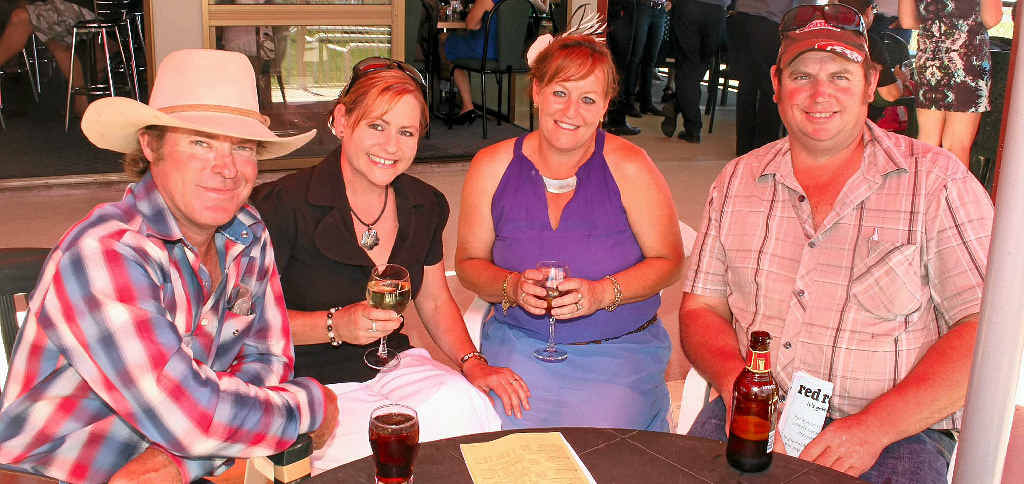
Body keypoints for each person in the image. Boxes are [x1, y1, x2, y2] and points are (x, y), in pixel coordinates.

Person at [679, 6, 993, 482]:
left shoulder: (938, 183)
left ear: (870, 84)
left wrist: (874, 428)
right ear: (776, 83)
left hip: (894, 430)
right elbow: (701, 308)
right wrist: (740, 387)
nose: (820, 93)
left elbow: (985, 328)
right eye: (802, 75)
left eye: (841, 76)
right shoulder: (737, 180)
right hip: (753, 411)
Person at [0, 49, 338, 483]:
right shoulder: (106, 251)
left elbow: (268, 360)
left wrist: (186, 458)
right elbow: (188, 420)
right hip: (56, 473)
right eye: (200, 142)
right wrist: (311, 403)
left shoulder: (247, 231)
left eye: (243, 146)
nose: (226, 168)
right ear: (150, 144)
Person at [249, 57, 509, 471]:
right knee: (357, 460)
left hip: (393, 365)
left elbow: (435, 298)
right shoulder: (280, 205)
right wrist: (334, 325)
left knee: (468, 414)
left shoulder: (424, 204)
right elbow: (245, 322)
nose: (391, 146)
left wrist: (473, 364)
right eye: (376, 126)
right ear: (341, 120)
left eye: (406, 132)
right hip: (310, 382)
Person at [456, 34, 683, 430]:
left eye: (588, 99)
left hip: (618, 351)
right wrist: (511, 286)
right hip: (521, 348)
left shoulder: (630, 165)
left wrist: (601, 293)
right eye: (560, 92)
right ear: (537, 91)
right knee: (506, 449)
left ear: (605, 107)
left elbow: (669, 262)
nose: (571, 111)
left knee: (600, 452)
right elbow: (469, 264)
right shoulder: (490, 166)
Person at [898, 0, 1002, 167]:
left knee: (926, 141)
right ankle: (950, 195)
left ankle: (920, 192)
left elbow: (907, 20)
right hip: (966, 58)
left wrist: (936, 25)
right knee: (956, 146)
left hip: (930, 59)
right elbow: (991, 18)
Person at [728, 0, 817, 155]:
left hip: (741, 18)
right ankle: (764, 149)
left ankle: (743, 148)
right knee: (771, 87)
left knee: (747, 86)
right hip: (769, 23)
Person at [0, 0, 96, 116]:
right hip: (72, 3)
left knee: (21, 17)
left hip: (87, 5)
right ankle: (82, 101)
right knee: (55, 40)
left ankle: (82, 100)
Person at [443, 0, 526, 125]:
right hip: (510, 54)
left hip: (487, 50)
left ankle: (466, 106)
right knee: (456, 43)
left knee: (449, 43)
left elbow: (471, 24)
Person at [660, 0, 730, 143]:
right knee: (697, 65)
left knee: (689, 67)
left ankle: (689, 122)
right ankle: (684, 114)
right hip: (716, 7)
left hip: (687, 4)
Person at [624, 0, 668, 119]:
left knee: (650, 60)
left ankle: (646, 102)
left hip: (660, 7)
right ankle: (628, 101)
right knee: (635, 57)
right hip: (642, 6)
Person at [605, 0, 643, 135]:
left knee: (613, 66)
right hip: (620, 4)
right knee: (618, 67)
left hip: (610, 2)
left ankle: (612, 118)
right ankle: (616, 120)